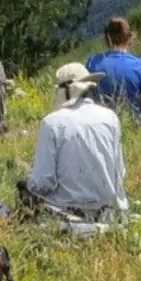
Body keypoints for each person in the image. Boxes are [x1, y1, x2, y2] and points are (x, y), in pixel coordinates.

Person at [19, 63, 128, 222]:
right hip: (111, 212)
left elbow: (43, 182)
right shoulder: (110, 117)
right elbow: (120, 172)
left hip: (68, 213)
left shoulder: (52, 123)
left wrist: (27, 183)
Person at [85, 16, 141, 120]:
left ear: (107, 38)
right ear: (130, 38)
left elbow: (87, 98)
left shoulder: (92, 63)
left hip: (99, 124)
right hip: (132, 126)